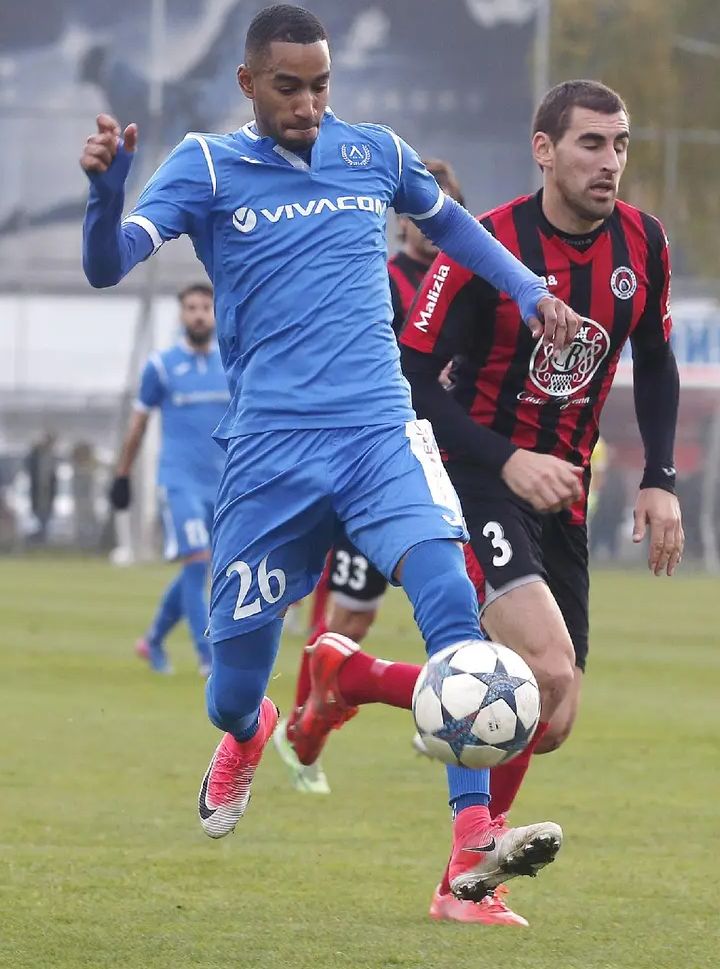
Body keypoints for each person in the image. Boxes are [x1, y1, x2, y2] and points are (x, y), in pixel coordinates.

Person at [80, 3, 584, 905]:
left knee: (451, 603)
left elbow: (454, 227)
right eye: (287, 87)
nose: (307, 105)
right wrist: (103, 196)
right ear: (248, 83)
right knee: (230, 689)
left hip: (379, 435)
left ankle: (472, 838)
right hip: (269, 456)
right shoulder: (204, 165)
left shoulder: (374, 151)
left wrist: (526, 289)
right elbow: (106, 263)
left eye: (319, 86)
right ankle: (250, 732)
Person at [292, 80, 685, 926]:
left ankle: (352, 676)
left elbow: (655, 360)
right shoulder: (489, 246)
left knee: (552, 714)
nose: (609, 161)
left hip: (559, 493)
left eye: (619, 144)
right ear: (543, 150)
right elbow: (410, 377)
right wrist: (507, 459)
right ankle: (470, 869)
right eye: (590, 143)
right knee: (541, 670)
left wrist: (659, 477)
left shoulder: (643, 243)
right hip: (475, 476)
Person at [273, 158, 466, 795]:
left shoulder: (468, 281)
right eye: (419, 211)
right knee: (348, 620)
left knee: (464, 604)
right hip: (381, 468)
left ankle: (458, 712)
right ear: (401, 218)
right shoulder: (379, 280)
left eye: (443, 210)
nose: (429, 224)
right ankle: (303, 728)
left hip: (449, 472)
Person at [109, 283, 229, 677]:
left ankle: (153, 640)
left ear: (215, 312)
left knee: (202, 568)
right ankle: (207, 657)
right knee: (197, 564)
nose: (199, 314)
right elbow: (139, 424)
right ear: (181, 315)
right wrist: (123, 474)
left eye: (205, 307)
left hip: (223, 483)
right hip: (179, 482)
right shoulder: (161, 366)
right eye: (191, 307)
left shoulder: (232, 362)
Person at [26, 433, 58, 543]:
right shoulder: (37, 456)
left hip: (47, 492)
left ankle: (42, 535)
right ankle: (40, 535)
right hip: (39, 491)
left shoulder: (51, 457)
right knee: (40, 513)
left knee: (45, 514)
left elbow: (52, 477)